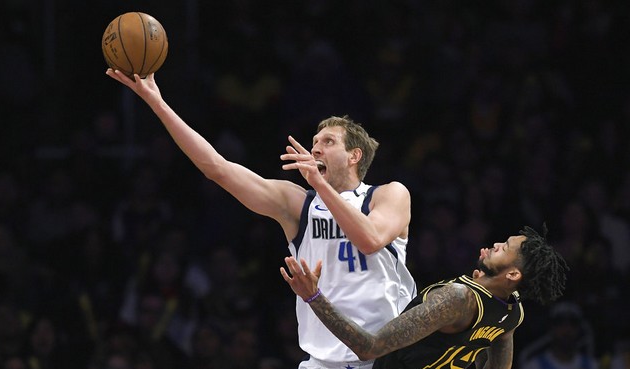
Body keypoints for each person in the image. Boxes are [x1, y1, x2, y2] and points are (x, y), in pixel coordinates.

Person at [106, 70, 417, 369]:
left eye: (328, 142)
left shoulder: (388, 195)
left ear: (355, 156)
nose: (315, 149)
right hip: (324, 363)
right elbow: (217, 168)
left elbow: (370, 240)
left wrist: (321, 184)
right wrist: (156, 102)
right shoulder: (298, 204)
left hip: (387, 360)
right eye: (314, 142)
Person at [280, 225, 569, 369]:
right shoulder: (512, 311)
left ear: (513, 275)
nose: (495, 245)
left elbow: (368, 347)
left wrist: (313, 296)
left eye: (504, 247)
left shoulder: (457, 299)